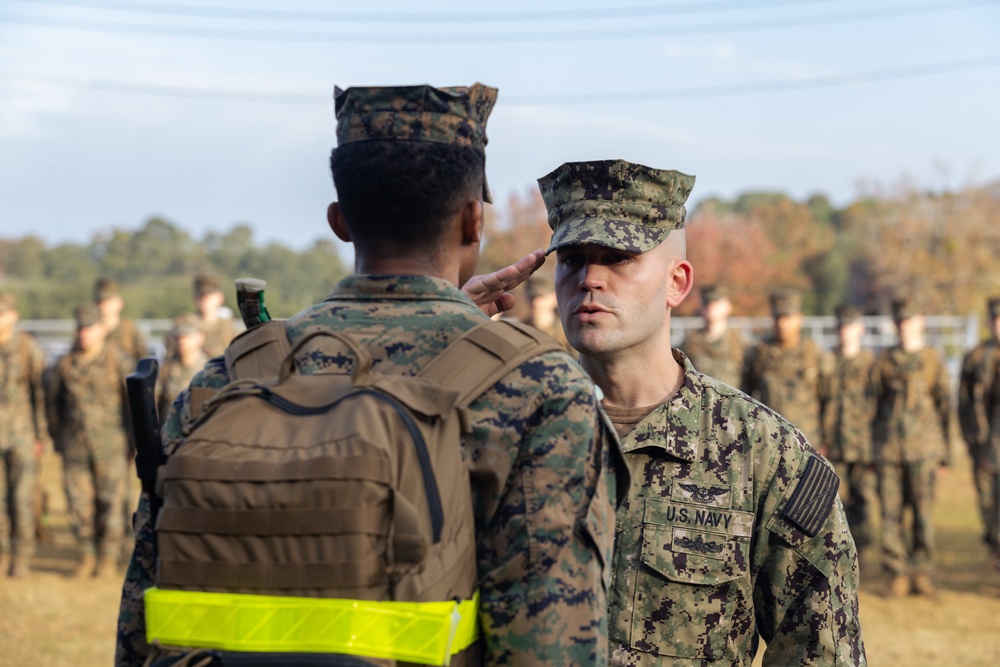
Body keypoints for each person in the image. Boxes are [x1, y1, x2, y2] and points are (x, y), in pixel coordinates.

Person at [116, 83, 622, 667]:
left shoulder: (226, 377)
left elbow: (141, 624)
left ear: (339, 221)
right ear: (471, 221)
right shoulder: (537, 387)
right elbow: (549, 646)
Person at [539, 158, 864, 664]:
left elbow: (819, 652)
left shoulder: (764, 453)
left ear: (677, 282)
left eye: (619, 257)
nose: (589, 279)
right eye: (572, 258)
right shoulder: (510, 431)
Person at [871, 296, 951, 597]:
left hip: (925, 450)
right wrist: (872, 450)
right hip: (889, 450)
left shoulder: (933, 359)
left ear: (921, 322)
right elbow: (873, 406)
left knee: (923, 514)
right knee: (891, 515)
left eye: (910, 321)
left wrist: (945, 455)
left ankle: (921, 572)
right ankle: (897, 573)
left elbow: (944, 406)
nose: (905, 327)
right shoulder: (883, 361)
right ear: (895, 324)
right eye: (900, 321)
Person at [45, 305, 130, 578]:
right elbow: (52, 404)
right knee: (78, 504)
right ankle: (86, 555)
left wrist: (133, 441)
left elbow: (133, 404)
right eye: (81, 329)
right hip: (75, 447)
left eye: (90, 328)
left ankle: (107, 557)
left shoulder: (119, 361)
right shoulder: (64, 364)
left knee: (111, 504)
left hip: (111, 446)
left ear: (101, 330)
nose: (84, 334)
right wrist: (58, 439)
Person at [741, 287, 832, 449]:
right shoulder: (759, 353)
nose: (781, 323)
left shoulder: (815, 354)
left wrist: (827, 441)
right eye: (777, 317)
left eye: (787, 317)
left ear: (799, 319)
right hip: (769, 444)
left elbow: (828, 400)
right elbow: (745, 399)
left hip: (807, 445)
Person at [0, 292, 50, 578]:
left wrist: (40, 436)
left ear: (13, 316)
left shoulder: (27, 348)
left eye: (3, 313)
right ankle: (3, 552)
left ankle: (21, 556)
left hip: (22, 435)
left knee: (21, 499)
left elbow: (39, 393)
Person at [821, 305, 878, 554]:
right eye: (842, 327)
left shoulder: (871, 364)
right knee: (834, 501)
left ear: (860, 329)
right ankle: (837, 552)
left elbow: (879, 404)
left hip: (864, 444)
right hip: (833, 443)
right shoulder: (827, 362)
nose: (846, 331)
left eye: (851, 326)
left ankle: (861, 553)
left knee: (863, 499)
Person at [958, 296, 1000, 552]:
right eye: (994, 319)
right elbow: (964, 401)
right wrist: (970, 437)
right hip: (984, 443)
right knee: (987, 506)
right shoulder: (975, 357)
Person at [679, 284, 744, 387]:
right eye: (707, 303)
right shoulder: (690, 344)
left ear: (728, 306)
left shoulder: (741, 344)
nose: (710, 306)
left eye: (716, 302)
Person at [154, 314, 207, 419]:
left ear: (200, 337)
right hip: (170, 432)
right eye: (177, 337)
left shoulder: (211, 369)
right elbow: (154, 402)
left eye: (187, 336)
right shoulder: (165, 369)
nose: (182, 341)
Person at [94, 277, 148, 366]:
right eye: (99, 302)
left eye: (108, 301)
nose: (102, 307)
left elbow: (143, 360)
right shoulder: (89, 332)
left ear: (119, 303)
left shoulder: (129, 329)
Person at [192, 274, 239, 358]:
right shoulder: (186, 324)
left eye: (208, 295)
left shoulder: (227, 328)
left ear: (220, 298)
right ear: (195, 298)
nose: (204, 299)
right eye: (200, 295)